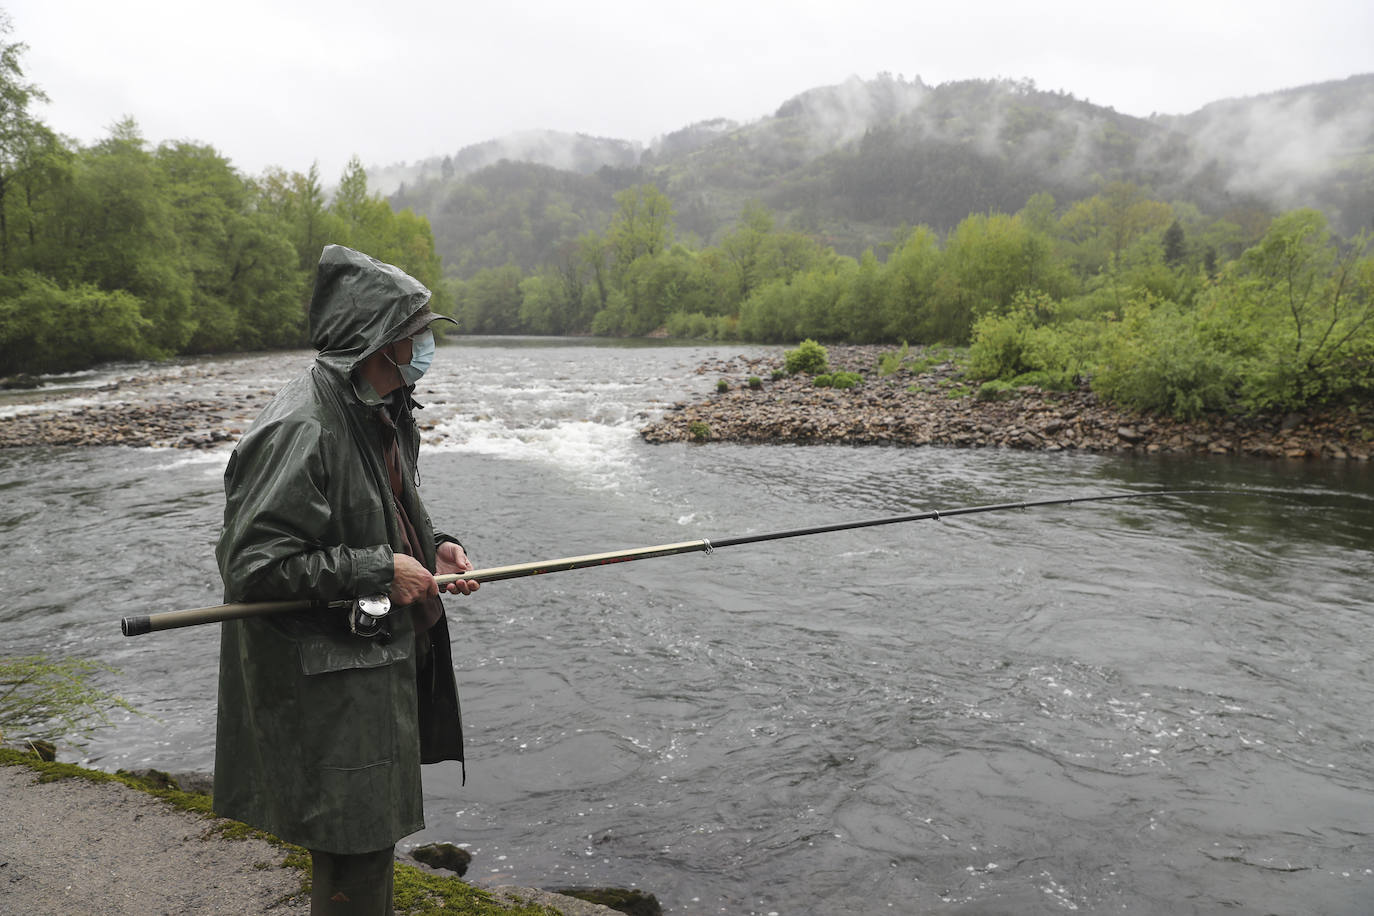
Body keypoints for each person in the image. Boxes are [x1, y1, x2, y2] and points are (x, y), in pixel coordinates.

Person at [214, 244, 478, 914]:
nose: (425, 345)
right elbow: (254, 568)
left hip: (366, 667)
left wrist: (434, 547)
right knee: (352, 845)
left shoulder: (379, 406)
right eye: (416, 333)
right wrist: (380, 569)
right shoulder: (303, 426)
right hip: (328, 689)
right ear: (378, 342)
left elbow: (379, 511)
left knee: (368, 838)